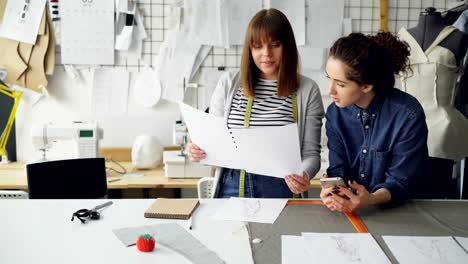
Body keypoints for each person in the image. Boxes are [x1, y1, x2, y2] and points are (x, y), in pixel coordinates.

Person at [187, 8, 324, 198]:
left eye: (275, 45)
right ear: (249, 49)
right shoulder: (229, 83)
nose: (266, 53)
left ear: (288, 46)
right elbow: (212, 141)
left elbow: (311, 154)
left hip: (283, 188)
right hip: (232, 185)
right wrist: (197, 150)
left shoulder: (308, 89)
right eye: (257, 46)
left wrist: (305, 174)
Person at [321, 32, 431, 212]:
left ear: (366, 85)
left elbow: (401, 182)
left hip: (403, 212)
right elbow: (338, 169)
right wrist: (331, 190)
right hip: (354, 211)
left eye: (340, 84)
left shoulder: (408, 114)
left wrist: (371, 199)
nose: (330, 90)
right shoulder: (335, 113)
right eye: (329, 78)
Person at [399, 7, 468, 198]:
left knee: (437, 191)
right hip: (404, 127)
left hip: (441, 127)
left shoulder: (458, 38)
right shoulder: (401, 39)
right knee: (406, 191)